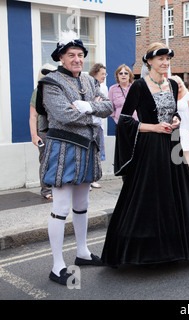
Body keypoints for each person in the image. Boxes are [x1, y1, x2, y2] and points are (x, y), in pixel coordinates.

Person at [101, 42, 189, 267]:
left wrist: (175, 120)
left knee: (178, 194)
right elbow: (124, 120)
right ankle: (147, 252)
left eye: (168, 59)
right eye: (160, 59)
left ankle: (181, 248)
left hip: (171, 143)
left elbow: (173, 113)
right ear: (149, 62)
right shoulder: (140, 86)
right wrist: (153, 127)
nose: (165, 63)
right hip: (150, 146)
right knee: (149, 195)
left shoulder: (173, 84)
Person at [36, 30, 113, 285]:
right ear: (61, 57)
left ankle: (82, 252)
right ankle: (57, 266)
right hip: (63, 150)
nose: (77, 59)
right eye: (72, 55)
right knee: (60, 209)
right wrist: (93, 114)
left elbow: (109, 107)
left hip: (87, 148)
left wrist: (88, 107)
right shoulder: (50, 83)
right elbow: (62, 115)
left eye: (81, 55)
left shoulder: (91, 81)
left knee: (82, 205)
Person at [29, 64, 56, 200]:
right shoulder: (38, 91)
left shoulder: (58, 91)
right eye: (47, 73)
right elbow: (33, 116)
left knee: (57, 160)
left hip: (57, 130)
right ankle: (46, 190)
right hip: (44, 131)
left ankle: (57, 189)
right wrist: (34, 135)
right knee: (45, 160)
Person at [89, 63, 109, 188]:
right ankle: (87, 180)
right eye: (102, 74)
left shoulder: (104, 87)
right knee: (89, 152)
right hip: (89, 123)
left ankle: (93, 178)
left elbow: (106, 105)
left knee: (97, 152)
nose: (104, 76)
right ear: (95, 73)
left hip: (99, 123)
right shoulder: (89, 85)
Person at [170, 75, 189, 167]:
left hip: (187, 130)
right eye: (176, 84)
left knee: (187, 156)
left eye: (179, 84)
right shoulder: (170, 97)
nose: (178, 86)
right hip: (174, 130)